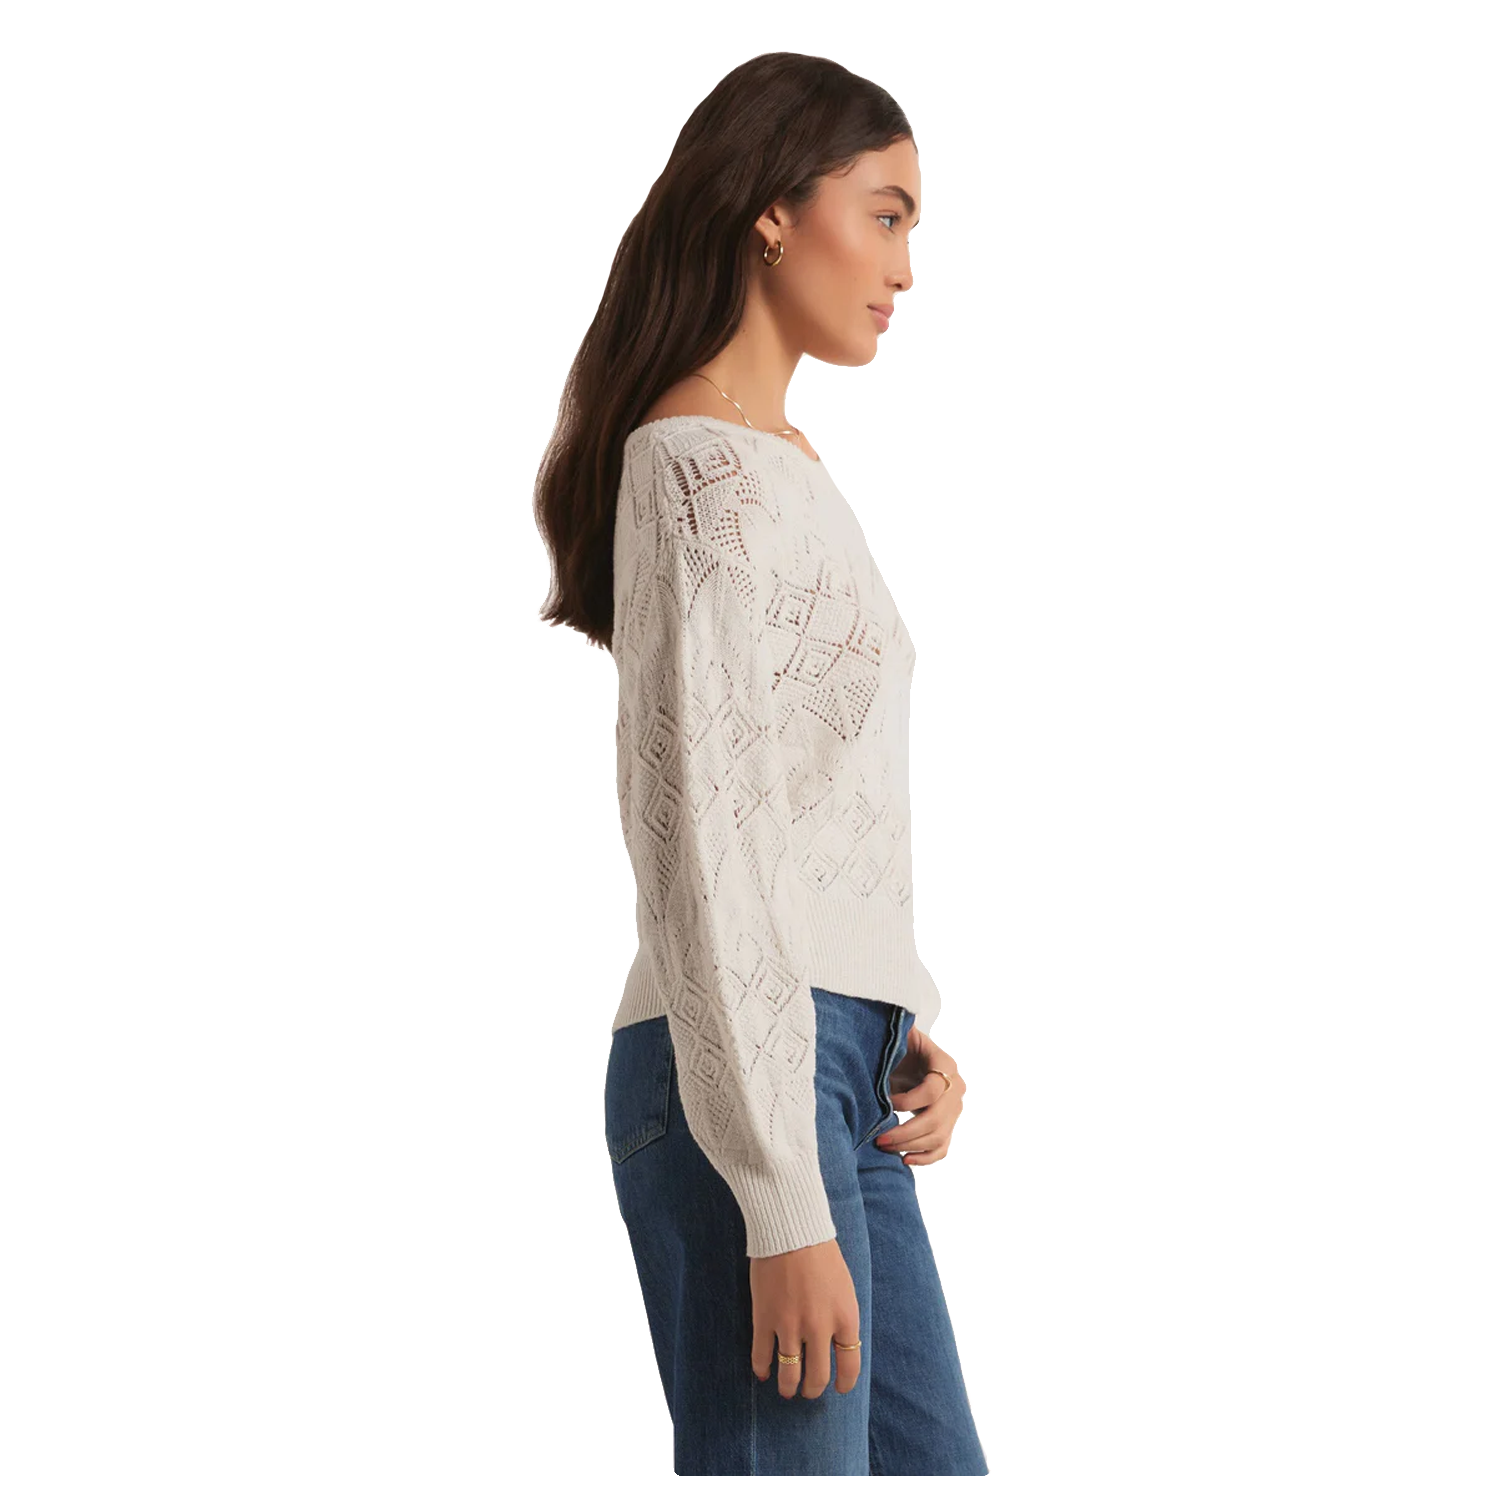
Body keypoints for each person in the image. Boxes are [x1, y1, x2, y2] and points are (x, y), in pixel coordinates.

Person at [533, 51, 988, 1477]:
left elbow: (805, 807)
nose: (905, 267)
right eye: (886, 214)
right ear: (774, 212)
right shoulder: (695, 469)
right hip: (743, 1085)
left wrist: (893, 1015)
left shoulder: (778, 460)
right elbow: (702, 841)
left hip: (831, 1070)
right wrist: (779, 1194)